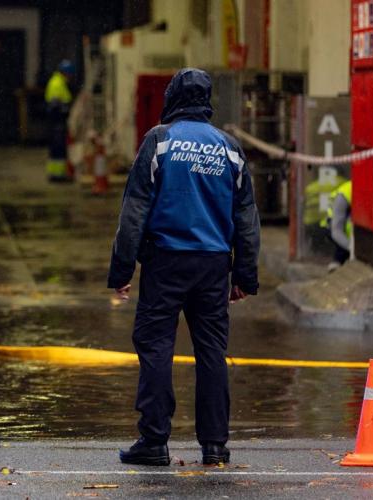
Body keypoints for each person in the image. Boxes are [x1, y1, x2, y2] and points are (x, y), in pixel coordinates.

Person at [107, 68, 260, 466]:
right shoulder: (229, 148)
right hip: (213, 266)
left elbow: (134, 211)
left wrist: (122, 271)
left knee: (156, 347)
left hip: (165, 262)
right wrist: (244, 276)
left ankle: (154, 441)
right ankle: (215, 446)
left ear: (172, 97)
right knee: (211, 352)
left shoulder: (159, 141)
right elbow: (246, 217)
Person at [44, 60, 75, 181]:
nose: (71, 77)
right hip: (57, 121)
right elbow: (55, 106)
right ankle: (58, 175)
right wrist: (66, 109)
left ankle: (55, 173)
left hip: (56, 121)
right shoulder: (57, 83)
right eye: (70, 74)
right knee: (58, 148)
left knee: (56, 148)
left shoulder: (58, 81)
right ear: (65, 73)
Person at [324, 179, 352, 271]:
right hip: (334, 228)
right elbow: (336, 231)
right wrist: (353, 249)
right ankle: (338, 261)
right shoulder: (345, 194)